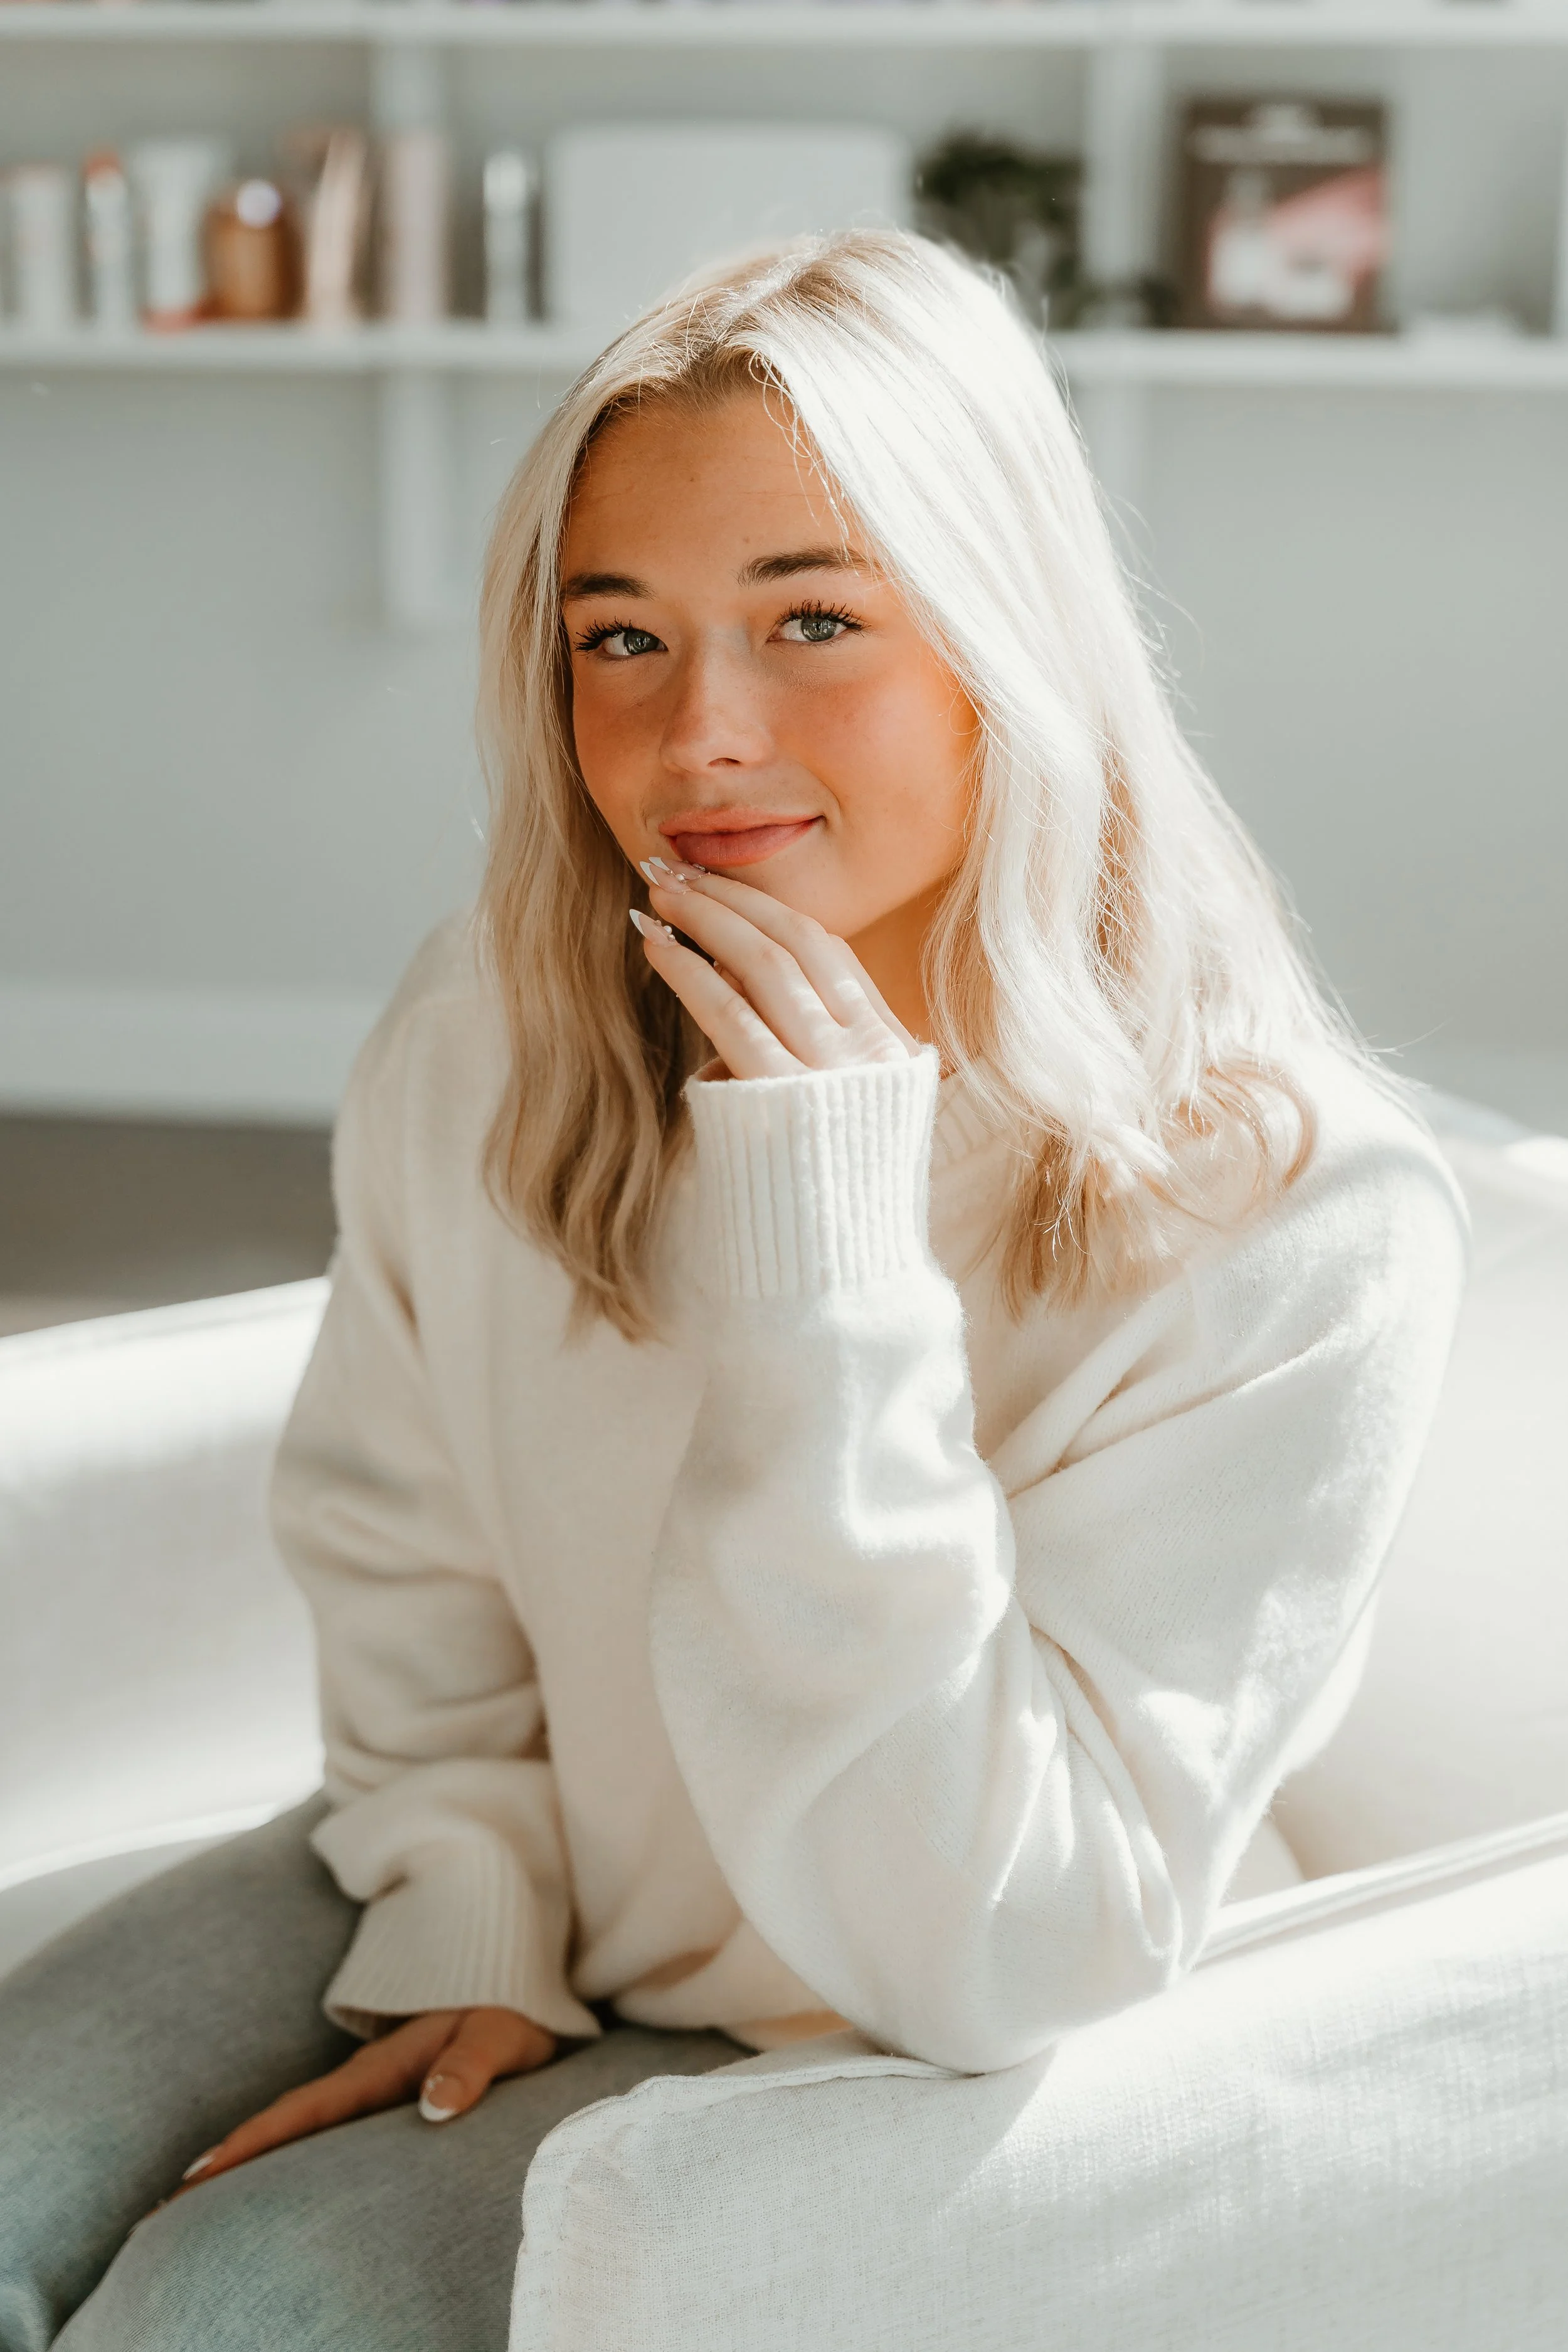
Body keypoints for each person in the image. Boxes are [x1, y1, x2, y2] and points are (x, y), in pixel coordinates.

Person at [0, 229, 1465, 2351]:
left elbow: (987, 1947)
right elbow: (407, 1540)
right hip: (552, 1853)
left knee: (239, 2313)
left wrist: (826, 1250)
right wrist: (471, 1906)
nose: (701, 733)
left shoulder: (1289, 1209)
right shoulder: (494, 1030)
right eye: (620, 636)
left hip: (906, 2024)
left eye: (813, 618)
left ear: (1004, 638)